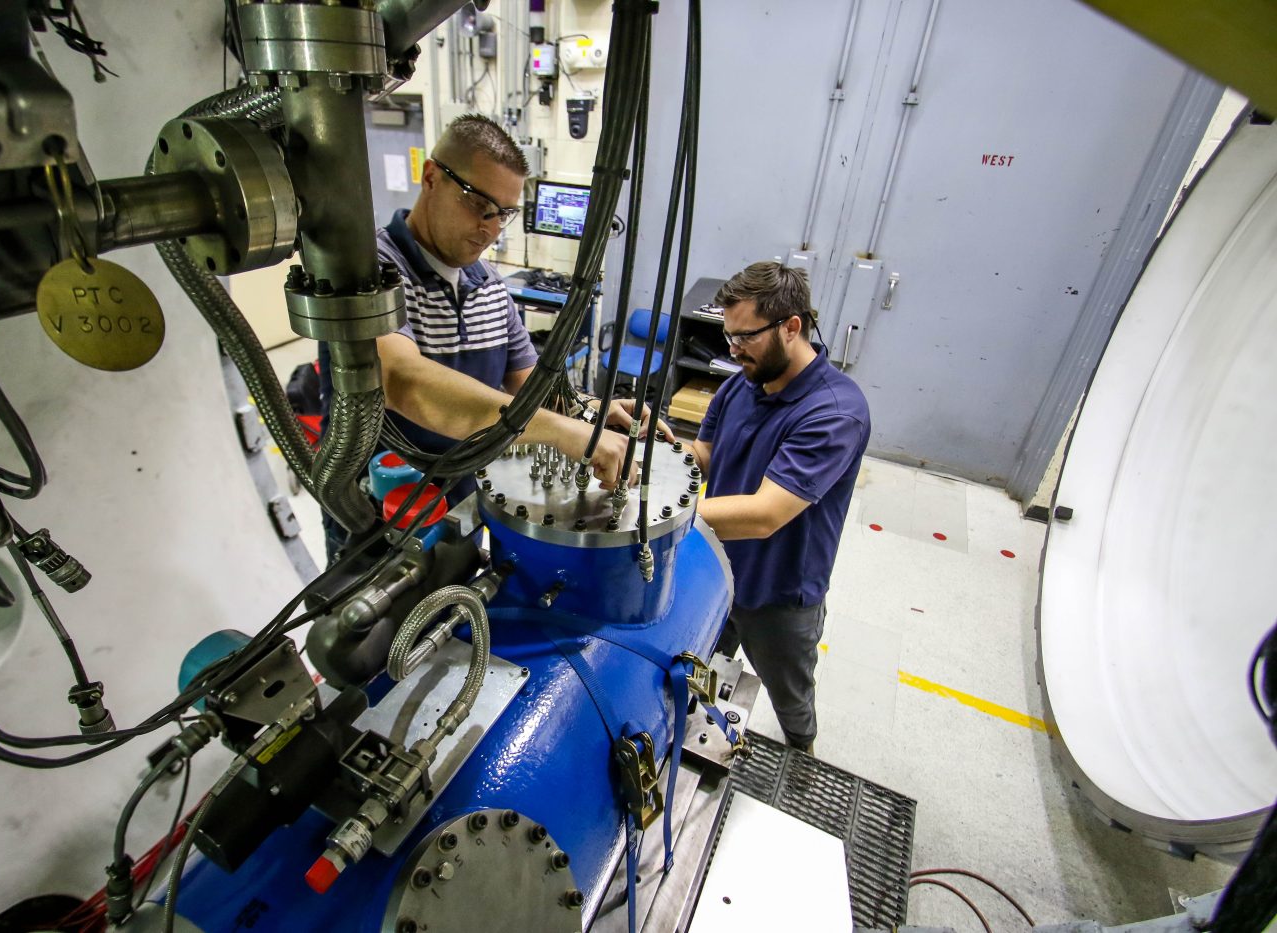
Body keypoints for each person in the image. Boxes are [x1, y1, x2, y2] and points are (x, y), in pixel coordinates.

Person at [319, 114, 649, 560]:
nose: (492, 229)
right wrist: (563, 433)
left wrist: (593, 412)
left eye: (505, 214)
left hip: (462, 502)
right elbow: (402, 381)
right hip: (379, 513)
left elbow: (534, 392)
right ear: (431, 176)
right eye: (479, 204)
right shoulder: (370, 274)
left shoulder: (490, 285)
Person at [693, 261, 870, 755]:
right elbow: (707, 454)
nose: (733, 350)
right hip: (718, 568)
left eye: (744, 337)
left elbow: (766, 513)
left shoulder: (834, 412)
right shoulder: (742, 383)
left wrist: (667, 514)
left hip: (779, 592)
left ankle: (802, 758)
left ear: (792, 327)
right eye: (728, 336)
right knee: (699, 666)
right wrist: (654, 454)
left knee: (789, 693)